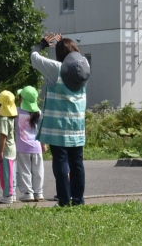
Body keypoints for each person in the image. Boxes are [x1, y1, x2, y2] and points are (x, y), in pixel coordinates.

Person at [32, 33, 90, 207]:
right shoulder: (85, 67)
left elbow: (34, 57)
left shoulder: (55, 68)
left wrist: (42, 44)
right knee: (77, 163)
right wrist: (65, 43)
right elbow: (77, 59)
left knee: (61, 163)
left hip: (57, 126)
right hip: (77, 125)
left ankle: (64, 200)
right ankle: (78, 200)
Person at [15, 86, 46, 202]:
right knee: (38, 171)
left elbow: (4, 112)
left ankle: (28, 193)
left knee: (24, 170)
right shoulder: (39, 112)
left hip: (22, 147)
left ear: (22, 99)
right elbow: (42, 130)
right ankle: (39, 192)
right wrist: (43, 144)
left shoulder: (17, 111)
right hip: (37, 146)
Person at [0, 90, 17, 204]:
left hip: (6, 151)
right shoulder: (10, 117)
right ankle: (12, 194)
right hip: (12, 149)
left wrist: (0, 152)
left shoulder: (3, 120)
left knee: (6, 174)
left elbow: (3, 136)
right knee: (12, 173)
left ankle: (7, 195)